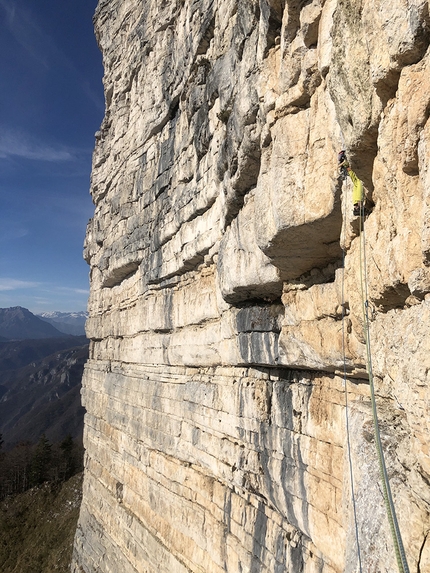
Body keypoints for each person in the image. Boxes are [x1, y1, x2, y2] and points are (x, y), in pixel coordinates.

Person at [338, 150, 364, 216]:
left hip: (354, 176)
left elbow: (351, 173)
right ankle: (359, 208)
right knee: (358, 187)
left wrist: (345, 165)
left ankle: (358, 208)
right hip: (355, 177)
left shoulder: (346, 164)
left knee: (357, 187)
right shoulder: (346, 164)